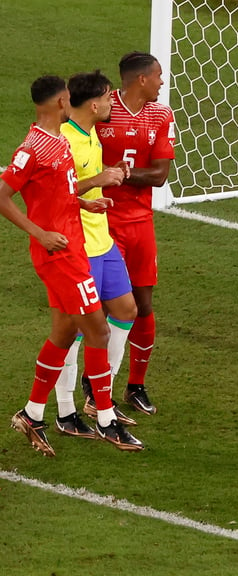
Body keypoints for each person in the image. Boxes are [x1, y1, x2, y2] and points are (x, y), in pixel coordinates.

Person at [0, 76, 143, 455]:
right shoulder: (32, 148)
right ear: (62, 100)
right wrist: (40, 234)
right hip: (59, 254)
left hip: (74, 246)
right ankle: (107, 420)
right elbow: (3, 195)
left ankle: (32, 414)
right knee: (98, 331)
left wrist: (85, 204)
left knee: (64, 332)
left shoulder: (60, 140)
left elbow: (59, 191)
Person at [55, 70, 138, 437]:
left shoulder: (90, 135)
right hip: (78, 248)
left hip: (102, 242)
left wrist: (107, 176)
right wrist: (97, 182)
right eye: (108, 97)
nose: (111, 102)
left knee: (125, 310)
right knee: (75, 329)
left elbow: (82, 186)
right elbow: (54, 197)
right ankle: (65, 410)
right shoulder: (64, 141)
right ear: (93, 103)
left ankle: (95, 391)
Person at [94, 51, 176, 416]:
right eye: (158, 75)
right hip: (101, 221)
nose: (162, 81)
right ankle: (93, 385)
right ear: (141, 79)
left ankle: (136, 385)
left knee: (143, 306)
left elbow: (159, 175)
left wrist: (120, 174)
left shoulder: (161, 114)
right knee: (94, 308)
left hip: (140, 223)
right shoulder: (102, 109)